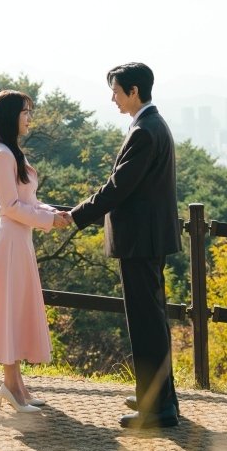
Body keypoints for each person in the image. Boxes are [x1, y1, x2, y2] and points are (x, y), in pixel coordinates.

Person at [62, 62, 181, 429]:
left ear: (133, 91)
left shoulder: (144, 131)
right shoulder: (153, 125)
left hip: (139, 242)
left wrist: (76, 215)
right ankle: (160, 398)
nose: (112, 98)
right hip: (149, 239)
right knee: (153, 320)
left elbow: (118, 186)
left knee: (146, 324)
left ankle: (155, 411)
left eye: (115, 91)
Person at [0, 89, 72, 413]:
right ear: (10, 116)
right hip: (11, 243)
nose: (29, 118)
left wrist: (53, 214)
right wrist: (48, 219)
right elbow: (10, 206)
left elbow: (27, 201)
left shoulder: (13, 153)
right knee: (8, 312)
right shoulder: (2, 155)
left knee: (15, 311)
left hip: (21, 241)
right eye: (25, 112)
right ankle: (13, 388)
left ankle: (18, 388)